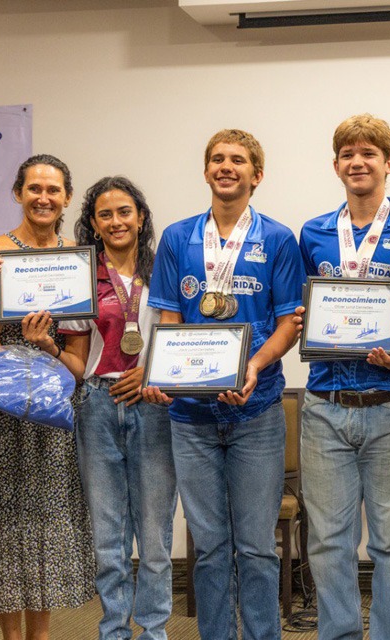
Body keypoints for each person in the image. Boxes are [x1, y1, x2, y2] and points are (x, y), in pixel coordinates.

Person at [143, 129, 303, 640]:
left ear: (257, 174)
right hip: (190, 417)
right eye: (217, 159)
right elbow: (168, 315)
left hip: (255, 413)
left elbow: (288, 324)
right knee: (210, 547)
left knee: (256, 545)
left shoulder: (278, 239)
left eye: (238, 160)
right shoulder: (177, 237)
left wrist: (253, 365)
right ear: (206, 170)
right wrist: (167, 369)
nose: (226, 166)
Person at [297, 113, 390, 640]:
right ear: (336, 164)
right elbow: (303, 309)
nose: (357, 162)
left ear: (389, 163)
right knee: (328, 543)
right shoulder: (313, 231)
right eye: (347, 154)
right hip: (324, 407)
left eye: (368, 153)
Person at [18, 176, 177, 640]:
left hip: (153, 406)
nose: (116, 221)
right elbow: (75, 361)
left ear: (141, 217)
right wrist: (47, 344)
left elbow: (180, 339)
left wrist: (154, 374)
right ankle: (113, 631)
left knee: (154, 539)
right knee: (108, 540)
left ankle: (153, 631)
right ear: (93, 223)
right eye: (104, 214)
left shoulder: (163, 270)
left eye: (124, 211)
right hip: (97, 406)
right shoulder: (83, 278)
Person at [0, 154, 96, 640]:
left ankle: (41, 634)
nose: (43, 197)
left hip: (55, 408)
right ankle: (9, 635)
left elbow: (80, 356)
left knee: (47, 517)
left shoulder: (78, 256)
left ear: (66, 196)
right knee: (3, 520)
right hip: (5, 407)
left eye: (53, 189)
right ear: (18, 194)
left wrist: (47, 346)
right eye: (34, 189)